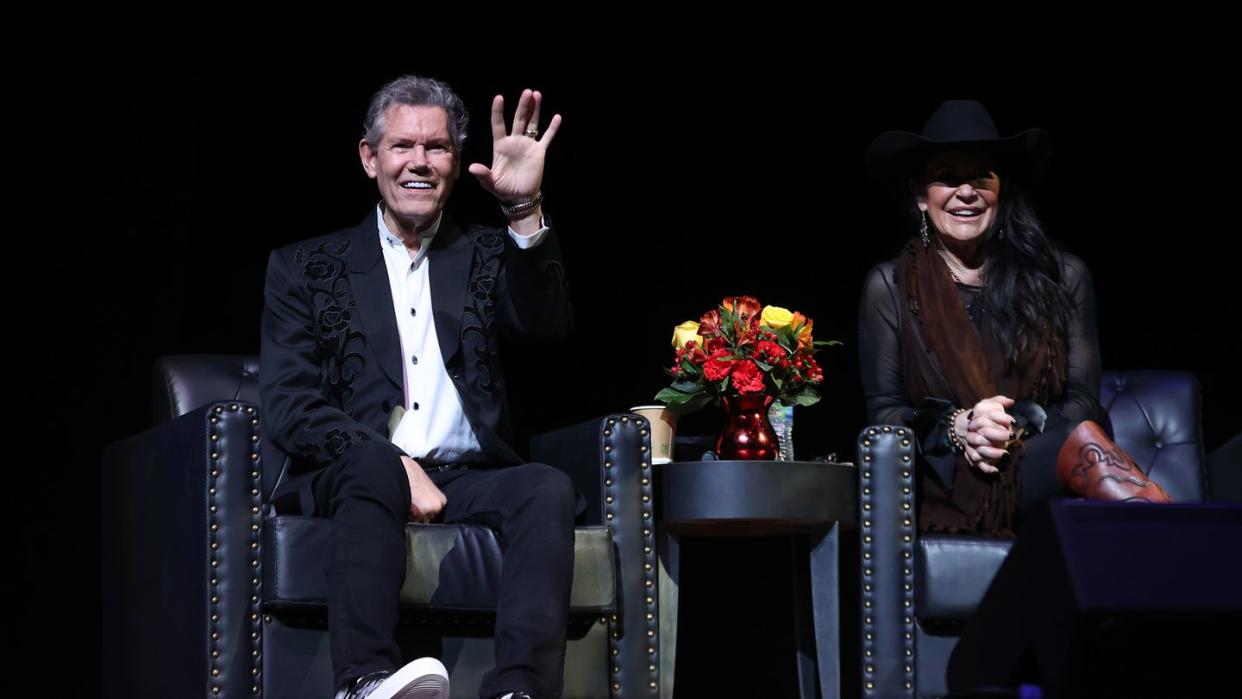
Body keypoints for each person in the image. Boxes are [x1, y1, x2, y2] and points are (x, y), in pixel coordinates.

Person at [260, 74, 574, 699]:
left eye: (437, 148)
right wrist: (398, 464)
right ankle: (365, 682)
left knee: (545, 487)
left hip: (465, 474)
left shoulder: (486, 253)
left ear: (457, 163)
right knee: (373, 470)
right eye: (402, 146)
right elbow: (291, 406)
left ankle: (520, 690)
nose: (419, 163)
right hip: (356, 474)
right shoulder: (304, 267)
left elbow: (546, 327)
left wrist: (522, 210)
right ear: (369, 157)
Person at [858, 100, 1169, 537]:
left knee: (1083, 434)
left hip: (1041, 463)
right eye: (947, 177)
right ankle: (1177, 540)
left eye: (981, 176)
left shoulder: (1063, 276)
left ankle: (1164, 536)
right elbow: (884, 413)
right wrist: (960, 427)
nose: (965, 192)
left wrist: (1009, 428)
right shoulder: (887, 286)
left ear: (1000, 190)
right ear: (920, 196)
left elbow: (1083, 400)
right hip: (946, 478)